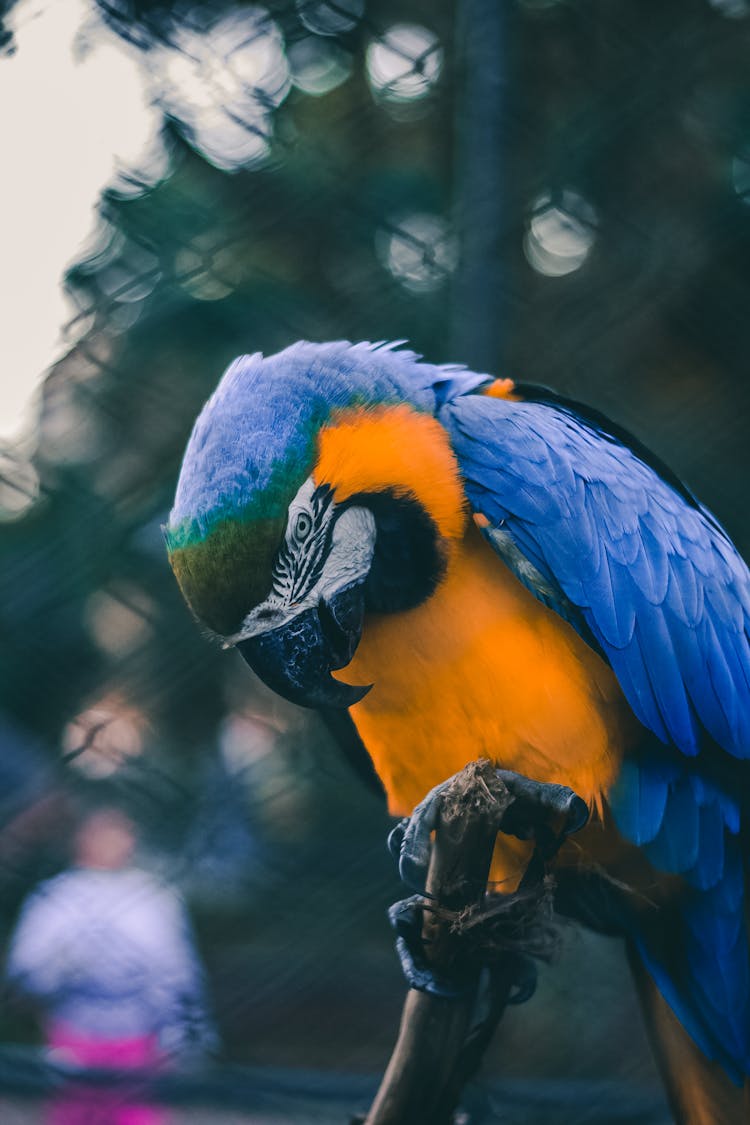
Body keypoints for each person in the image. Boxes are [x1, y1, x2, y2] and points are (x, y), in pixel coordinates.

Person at [5, 803, 218, 1124]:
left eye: (121, 833)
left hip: (138, 1043)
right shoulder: (56, 897)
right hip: (73, 1037)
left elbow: (177, 971)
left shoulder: (154, 898)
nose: (115, 843)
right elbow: (25, 971)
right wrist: (65, 965)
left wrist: (182, 1037)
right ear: (82, 839)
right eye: (103, 833)